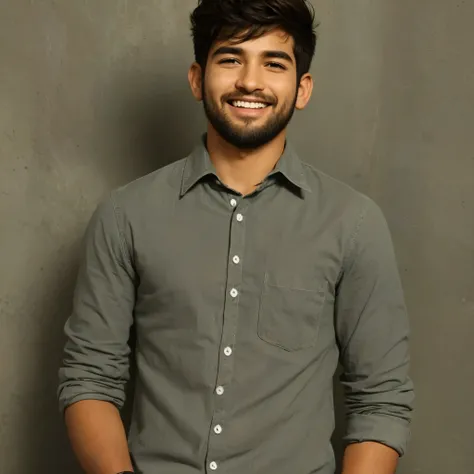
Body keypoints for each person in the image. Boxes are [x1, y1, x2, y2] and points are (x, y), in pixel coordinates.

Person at [58, 1, 414, 473]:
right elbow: (89, 377)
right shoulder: (125, 215)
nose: (250, 81)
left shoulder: (354, 223)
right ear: (196, 77)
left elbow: (381, 398)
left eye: (274, 62)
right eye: (230, 58)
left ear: (302, 88)